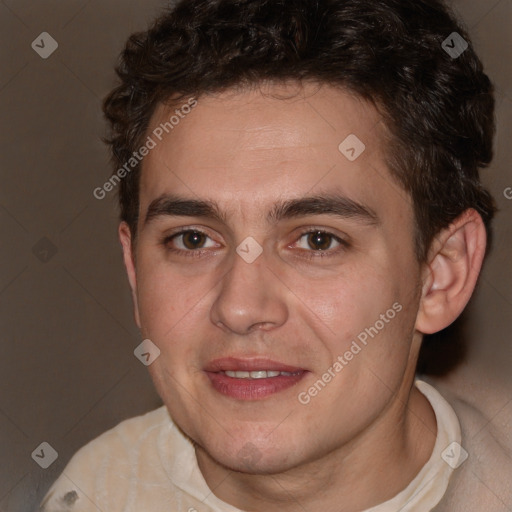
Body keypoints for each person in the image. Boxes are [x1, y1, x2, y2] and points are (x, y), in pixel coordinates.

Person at [39, 0, 511, 510]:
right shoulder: (89, 495)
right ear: (135, 273)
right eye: (193, 239)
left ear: (441, 274)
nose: (240, 309)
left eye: (317, 240)